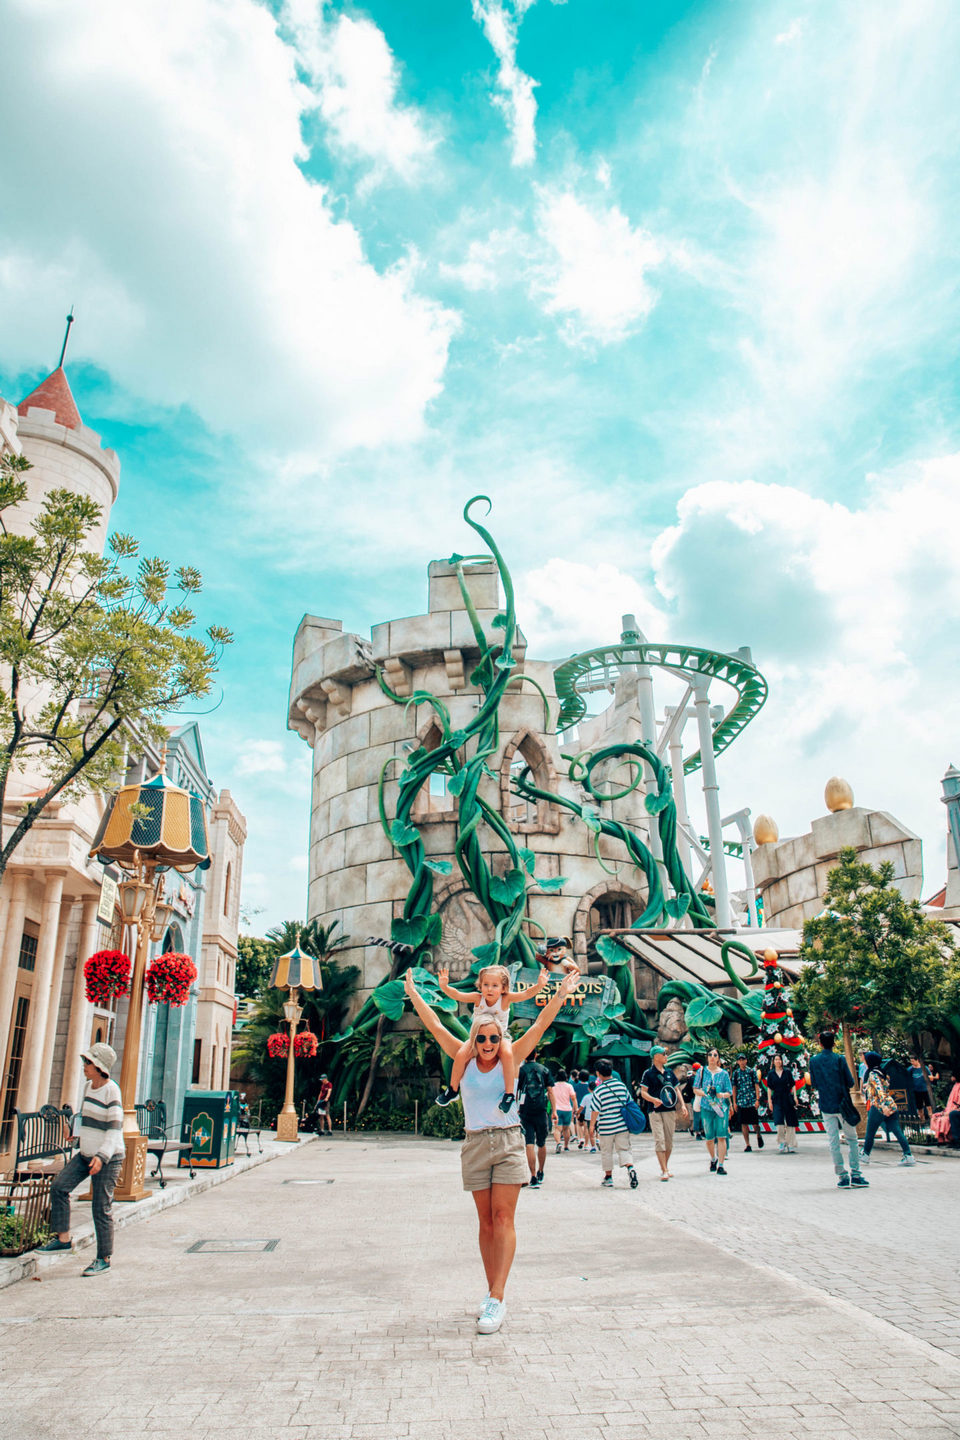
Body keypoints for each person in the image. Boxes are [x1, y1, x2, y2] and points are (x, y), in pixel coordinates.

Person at [403, 964, 580, 1334]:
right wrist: (414, 994)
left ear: (501, 1039)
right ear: (474, 1039)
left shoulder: (509, 1060)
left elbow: (540, 1024)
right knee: (484, 1222)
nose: (487, 1045)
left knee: (503, 1219)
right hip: (475, 1143)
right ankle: (491, 1293)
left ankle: (498, 1296)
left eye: (494, 1039)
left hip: (509, 1140)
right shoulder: (464, 1058)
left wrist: (561, 992)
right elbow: (435, 1024)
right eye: (481, 1039)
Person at [38, 1043, 124, 1276]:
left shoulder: (111, 1091)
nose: (84, 1066)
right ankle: (63, 1239)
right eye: (85, 1061)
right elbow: (86, 1119)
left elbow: (114, 1129)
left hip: (108, 1157)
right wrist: (75, 1136)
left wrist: (101, 1157)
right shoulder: (88, 1087)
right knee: (59, 1187)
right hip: (86, 1154)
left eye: (88, 1062)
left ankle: (103, 1258)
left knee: (101, 1207)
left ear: (99, 1067)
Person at [434, 963, 548, 1111]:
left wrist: (539, 985)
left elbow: (525, 994)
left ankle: (509, 1094)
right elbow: (458, 995)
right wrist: (445, 987)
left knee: (508, 1055)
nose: (489, 989)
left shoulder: (505, 999)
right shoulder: (478, 998)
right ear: (480, 986)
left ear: (503, 988)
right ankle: (453, 1090)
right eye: (486, 985)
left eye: (495, 985)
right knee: (461, 1054)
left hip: (500, 1038)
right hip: (478, 1038)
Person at [808, 1030, 868, 1189]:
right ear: (834, 1043)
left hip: (826, 1105)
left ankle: (842, 1175)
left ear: (820, 1043)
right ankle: (856, 1174)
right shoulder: (840, 1059)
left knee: (833, 1141)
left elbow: (814, 1083)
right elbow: (850, 1082)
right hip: (843, 1104)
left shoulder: (814, 1061)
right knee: (852, 1139)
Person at [639, 1045, 689, 1181]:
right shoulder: (648, 1074)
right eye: (664, 1054)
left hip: (669, 1110)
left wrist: (682, 1105)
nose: (666, 1056)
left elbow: (677, 1089)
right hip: (655, 1111)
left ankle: (664, 1167)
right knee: (659, 1140)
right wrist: (653, 1100)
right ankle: (664, 1170)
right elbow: (643, 1092)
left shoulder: (669, 1072)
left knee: (669, 1141)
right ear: (656, 1056)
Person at [589, 1058, 638, 1189]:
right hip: (622, 1125)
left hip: (606, 1127)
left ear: (598, 1073)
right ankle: (630, 1168)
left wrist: (592, 1126)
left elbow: (595, 1110)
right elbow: (629, 1102)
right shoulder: (621, 1086)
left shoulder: (599, 1090)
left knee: (606, 1152)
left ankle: (608, 1177)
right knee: (624, 1149)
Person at [861, 1051, 915, 1166]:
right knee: (897, 1131)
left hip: (879, 1105)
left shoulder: (873, 1074)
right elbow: (884, 1086)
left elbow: (879, 1090)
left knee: (870, 1132)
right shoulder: (883, 1073)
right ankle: (908, 1155)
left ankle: (865, 1154)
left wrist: (883, 1105)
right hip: (891, 1104)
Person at [517, 1046, 554, 1188]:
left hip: (525, 1111)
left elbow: (516, 1092)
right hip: (541, 1110)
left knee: (529, 1143)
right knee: (541, 1143)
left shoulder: (521, 1071)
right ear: (536, 1055)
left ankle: (532, 1176)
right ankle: (541, 1171)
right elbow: (550, 1091)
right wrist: (554, 1110)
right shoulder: (544, 1070)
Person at [694, 1048, 733, 1174]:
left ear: (718, 1058)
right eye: (710, 1055)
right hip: (706, 1107)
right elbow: (695, 1088)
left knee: (721, 1136)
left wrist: (721, 1095)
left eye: (715, 1055)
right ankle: (713, 1158)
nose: (712, 1057)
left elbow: (729, 1092)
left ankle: (721, 1165)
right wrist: (705, 1093)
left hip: (720, 1108)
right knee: (709, 1137)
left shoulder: (724, 1074)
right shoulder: (701, 1071)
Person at [765, 1053, 799, 1153]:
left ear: (782, 1061)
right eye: (776, 1059)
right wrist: (769, 1101)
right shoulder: (771, 1074)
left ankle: (791, 1143)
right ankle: (781, 1142)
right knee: (779, 1121)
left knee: (790, 1122)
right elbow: (769, 1088)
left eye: (779, 1059)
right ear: (773, 1062)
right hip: (777, 1099)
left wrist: (795, 1096)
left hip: (787, 1098)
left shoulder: (787, 1072)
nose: (778, 1061)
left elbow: (793, 1085)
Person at [730, 1053, 764, 1151]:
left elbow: (756, 1085)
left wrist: (757, 1099)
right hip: (741, 1101)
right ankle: (748, 1144)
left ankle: (758, 1135)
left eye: (743, 1060)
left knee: (755, 1123)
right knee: (743, 1123)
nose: (742, 1062)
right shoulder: (736, 1073)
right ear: (737, 1062)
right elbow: (734, 1088)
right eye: (739, 1060)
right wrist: (734, 1102)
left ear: (746, 1060)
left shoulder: (751, 1071)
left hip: (751, 1100)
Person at [550, 1069, 578, 1154]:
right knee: (566, 1129)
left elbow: (549, 1096)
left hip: (557, 1110)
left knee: (557, 1129)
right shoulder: (569, 1086)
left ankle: (558, 1143)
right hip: (567, 1109)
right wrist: (576, 1109)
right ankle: (566, 1146)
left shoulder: (553, 1086)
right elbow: (573, 1098)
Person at [908, 1056, 930, 1123]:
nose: (912, 1063)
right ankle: (922, 1121)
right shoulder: (910, 1069)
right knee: (919, 1107)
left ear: (917, 1060)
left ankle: (932, 1120)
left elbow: (930, 1076)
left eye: (913, 1061)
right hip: (916, 1090)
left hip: (925, 1089)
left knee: (928, 1106)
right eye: (911, 1061)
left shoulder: (924, 1068)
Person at [572, 1068, 591, 1148]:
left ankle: (581, 1138)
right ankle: (586, 1144)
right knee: (586, 1127)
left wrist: (574, 1109)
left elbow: (574, 1098)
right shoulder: (589, 1086)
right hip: (588, 1109)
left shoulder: (576, 1086)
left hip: (579, 1108)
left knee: (579, 1124)